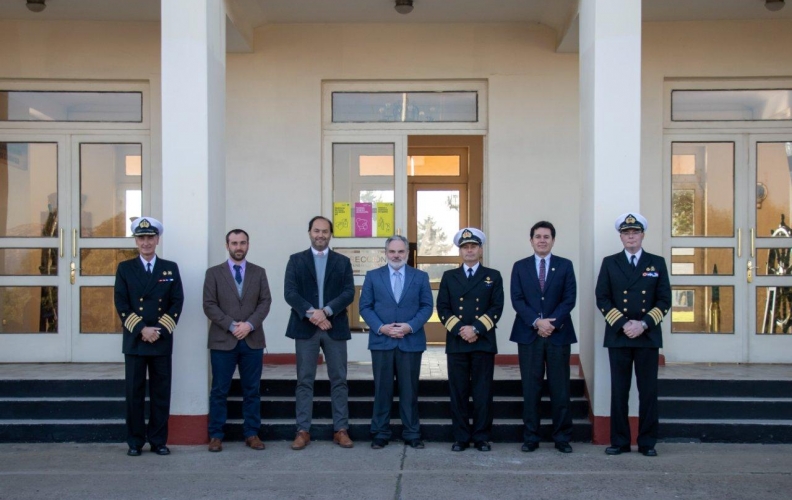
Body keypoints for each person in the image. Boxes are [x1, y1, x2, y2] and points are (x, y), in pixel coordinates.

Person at [596, 213, 670, 457]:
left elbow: (664, 300)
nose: (631, 236)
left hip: (647, 337)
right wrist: (625, 324)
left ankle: (647, 442)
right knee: (619, 390)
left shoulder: (656, 262)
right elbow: (603, 298)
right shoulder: (610, 262)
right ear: (621, 236)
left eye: (635, 232)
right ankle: (620, 441)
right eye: (626, 233)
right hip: (619, 336)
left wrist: (644, 324)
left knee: (648, 391)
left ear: (642, 235)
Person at [284, 216, 356, 450]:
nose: (320, 235)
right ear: (309, 232)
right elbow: (290, 293)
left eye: (325, 231)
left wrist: (325, 311)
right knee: (305, 381)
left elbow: (348, 293)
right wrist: (312, 314)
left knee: (339, 380)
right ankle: (303, 430)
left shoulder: (342, 261)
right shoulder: (296, 260)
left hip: (335, 328)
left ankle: (341, 430)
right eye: (316, 231)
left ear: (330, 234)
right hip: (306, 329)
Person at [114, 217, 183, 457]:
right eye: (141, 238)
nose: (146, 242)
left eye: (150, 238)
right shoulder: (125, 268)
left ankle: (158, 441)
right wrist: (142, 328)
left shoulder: (170, 268)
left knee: (160, 393)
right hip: (135, 340)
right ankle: (134, 442)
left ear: (157, 239)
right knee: (134, 394)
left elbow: (176, 303)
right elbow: (121, 303)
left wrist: (159, 330)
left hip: (161, 341)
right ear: (136, 241)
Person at [359, 235, 433, 450]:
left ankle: (412, 433)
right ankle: (380, 433)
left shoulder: (420, 277)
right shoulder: (373, 276)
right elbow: (365, 307)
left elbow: (427, 306)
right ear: (386, 253)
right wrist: (381, 327)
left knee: (409, 390)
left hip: (410, 340)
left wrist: (410, 326)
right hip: (382, 341)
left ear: (407, 254)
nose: (396, 255)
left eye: (401, 252)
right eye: (392, 251)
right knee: (382, 390)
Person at [510, 221, 577, 454]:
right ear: (531, 240)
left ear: (553, 240)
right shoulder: (520, 266)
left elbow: (569, 299)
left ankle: (562, 438)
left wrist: (551, 323)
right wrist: (537, 322)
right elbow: (517, 299)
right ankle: (531, 437)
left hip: (558, 335)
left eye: (546, 236)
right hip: (529, 335)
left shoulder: (565, 265)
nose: (542, 240)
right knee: (531, 389)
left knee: (560, 389)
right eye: (537, 236)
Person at [203, 229, 272, 452]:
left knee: (252, 390)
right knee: (219, 390)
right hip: (223, 340)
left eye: (242, 243)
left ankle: (252, 433)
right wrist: (233, 326)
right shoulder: (213, 273)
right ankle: (216, 435)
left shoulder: (259, 272)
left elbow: (265, 302)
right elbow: (209, 305)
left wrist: (249, 325)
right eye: (234, 243)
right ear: (227, 246)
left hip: (252, 340)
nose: (238, 247)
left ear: (248, 245)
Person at [437, 228, 504, 452]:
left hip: (482, 341)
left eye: (473, 246)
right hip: (457, 342)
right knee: (458, 391)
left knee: (483, 391)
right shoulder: (449, 276)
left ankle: (482, 436)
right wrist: (460, 329)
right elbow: (443, 308)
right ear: (460, 251)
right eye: (465, 247)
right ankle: (461, 437)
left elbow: (497, 307)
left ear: (480, 249)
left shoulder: (492, 276)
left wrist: (475, 329)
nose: (469, 250)